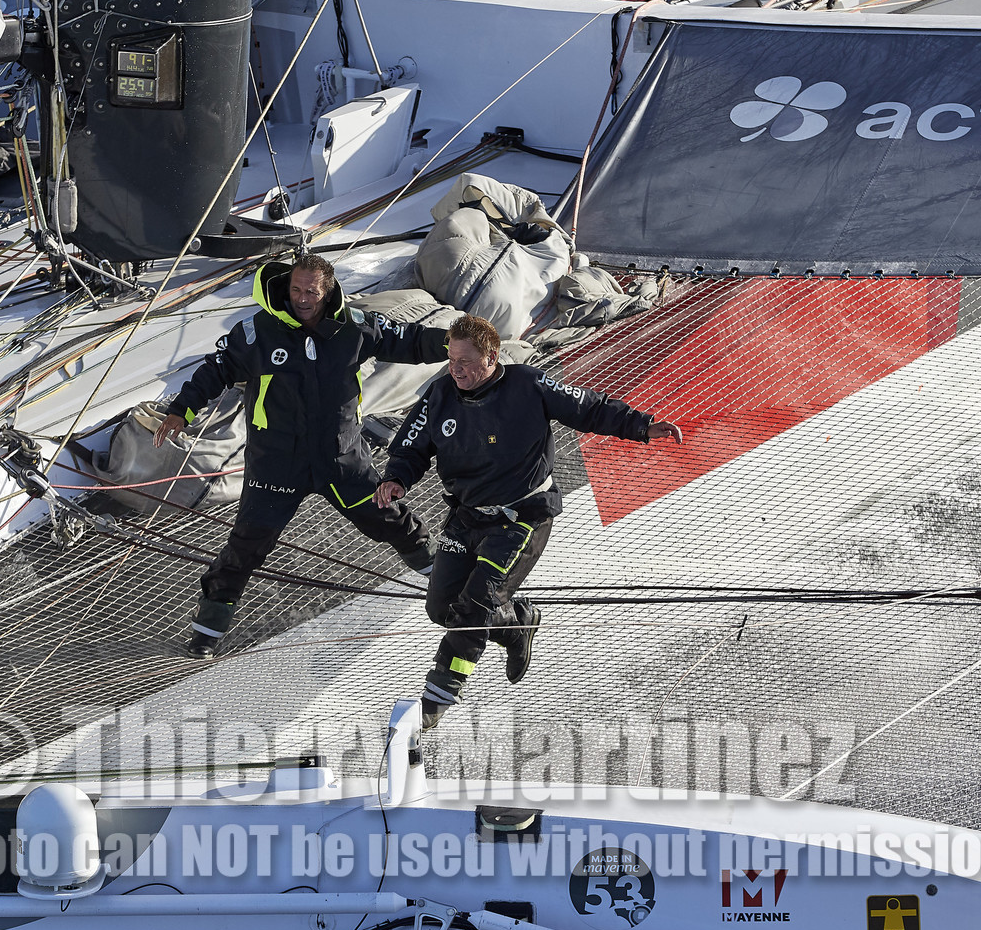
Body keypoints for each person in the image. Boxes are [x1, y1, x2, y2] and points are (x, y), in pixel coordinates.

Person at [374, 314, 683, 729]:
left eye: (466, 361)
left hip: (522, 518)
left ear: (492, 356)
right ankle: (517, 623)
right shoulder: (439, 395)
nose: (456, 369)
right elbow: (410, 446)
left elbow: (587, 407)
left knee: (475, 606)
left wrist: (642, 426)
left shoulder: (527, 384)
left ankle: (438, 696)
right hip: (466, 518)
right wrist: (395, 478)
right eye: (451, 360)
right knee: (441, 607)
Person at [154, 250, 450, 658]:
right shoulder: (255, 332)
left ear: (327, 292)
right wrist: (180, 411)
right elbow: (214, 369)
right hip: (276, 465)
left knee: (389, 519)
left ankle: (443, 581)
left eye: (311, 291)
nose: (302, 298)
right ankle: (207, 629)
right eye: (295, 289)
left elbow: (410, 342)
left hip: (341, 461)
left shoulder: (355, 328)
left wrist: (454, 341)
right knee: (247, 545)